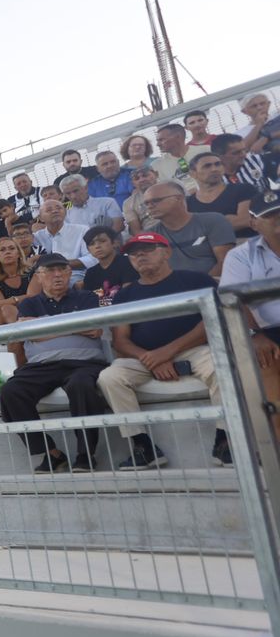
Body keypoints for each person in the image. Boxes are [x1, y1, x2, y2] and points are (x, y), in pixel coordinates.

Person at [97, 233, 228, 469]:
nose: (139, 255)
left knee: (224, 367)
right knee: (110, 377)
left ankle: (225, 441)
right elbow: (121, 341)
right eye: (133, 252)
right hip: (144, 357)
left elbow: (210, 323)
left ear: (166, 252)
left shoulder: (196, 280)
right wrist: (152, 359)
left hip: (194, 349)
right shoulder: (125, 294)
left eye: (148, 249)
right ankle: (143, 447)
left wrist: (165, 353)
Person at [0, 254, 110, 473]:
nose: (57, 275)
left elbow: (94, 329)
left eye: (62, 270)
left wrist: (45, 325)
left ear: (69, 273)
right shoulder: (30, 303)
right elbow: (32, 334)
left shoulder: (86, 297)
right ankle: (52, 453)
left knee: (81, 385)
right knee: (11, 391)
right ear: (39, 276)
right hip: (42, 366)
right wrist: (75, 325)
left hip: (83, 362)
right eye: (50, 271)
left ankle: (86, 454)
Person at [220, 187, 280, 438]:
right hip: (269, 332)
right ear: (254, 223)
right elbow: (231, 299)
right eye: (269, 215)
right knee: (263, 359)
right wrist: (255, 335)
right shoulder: (240, 255)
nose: (277, 219)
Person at [141, 181, 234, 277]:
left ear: (179, 198)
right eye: (146, 203)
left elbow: (226, 261)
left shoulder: (213, 220)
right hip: (175, 285)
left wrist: (203, 284)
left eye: (156, 200)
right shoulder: (149, 236)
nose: (150, 206)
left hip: (218, 282)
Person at [186, 151, 257, 239]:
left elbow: (245, 221)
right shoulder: (188, 203)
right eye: (207, 166)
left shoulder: (243, 189)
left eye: (218, 164)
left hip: (249, 241)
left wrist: (207, 227)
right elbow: (192, 233)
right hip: (214, 247)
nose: (214, 169)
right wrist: (226, 220)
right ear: (193, 174)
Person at [0, 236, 36, 325]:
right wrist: (24, 298)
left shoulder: (31, 273)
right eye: (2, 250)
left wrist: (13, 300)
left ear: (18, 254)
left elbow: (34, 297)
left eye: (12, 248)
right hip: (5, 324)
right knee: (7, 309)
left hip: (33, 312)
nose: (7, 252)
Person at [33, 199, 94, 272]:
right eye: (49, 210)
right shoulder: (36, 237)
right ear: (41, 218)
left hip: (76, 274)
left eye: (59, 208)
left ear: (65, 213)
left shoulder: (82, 230)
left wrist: (62, 264)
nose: (55, 211)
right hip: (45, 276)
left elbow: (92, 257)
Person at [80, 226, 137, 303]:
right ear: (88, 250)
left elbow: (128, 295)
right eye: (92, 244)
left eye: (102, 241)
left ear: (115, 243)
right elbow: (91, 301)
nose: (97, 246)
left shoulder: (127, 262)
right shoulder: (91, 273)